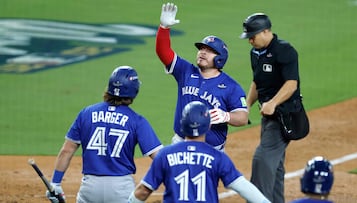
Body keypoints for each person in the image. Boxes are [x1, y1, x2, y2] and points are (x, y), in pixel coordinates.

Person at [46, 66, 163, 203]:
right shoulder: (137, 121)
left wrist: (56, 184)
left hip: (90, 188)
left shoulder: (86, 114)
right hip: (121, 189)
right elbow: (160, 157)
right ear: (134, 90)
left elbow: (67, 150)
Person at [128, 101, 271, 203]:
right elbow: (242, 186)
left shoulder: (165, 155)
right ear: (208, 126)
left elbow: (143, 191)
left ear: (182, 124)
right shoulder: (217, 157)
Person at [156, 2, 249, 151]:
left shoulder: (231, 86)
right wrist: (164, 28)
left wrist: (226, 116)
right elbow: (163, 51)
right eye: (201, 49)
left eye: (209, 50)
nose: (202, 52)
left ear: (220, 58)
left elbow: (243, 118)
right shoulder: (185, 71)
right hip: (180, 143)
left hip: (212, 151)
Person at [240, 13, 305, 203]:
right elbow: (256, 82)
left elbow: (292, 83)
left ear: (266, 31)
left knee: (262, 159)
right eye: (248, 36)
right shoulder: (255, 53)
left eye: (253, 35)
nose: (250, 39)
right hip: (267, 116)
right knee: (275, 166)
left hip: (286, 116)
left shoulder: (285, 51)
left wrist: (273, 103)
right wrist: (246, 104)